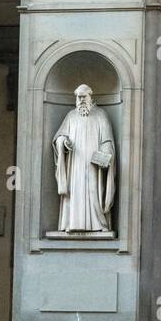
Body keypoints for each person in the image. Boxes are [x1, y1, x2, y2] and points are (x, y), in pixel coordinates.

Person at [52, 84, 116, 234]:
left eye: (83, 97)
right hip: (75, 165)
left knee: (93, 192)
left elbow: (107, 141)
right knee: (74, 193)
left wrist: (105, 155)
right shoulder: (71, 116)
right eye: (78, 97)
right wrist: (63, 142)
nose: (81, 100)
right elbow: (59, 137)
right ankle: (71, 223)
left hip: (93, 165)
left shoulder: (101, 115)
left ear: (90, 97)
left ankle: (98, 224)